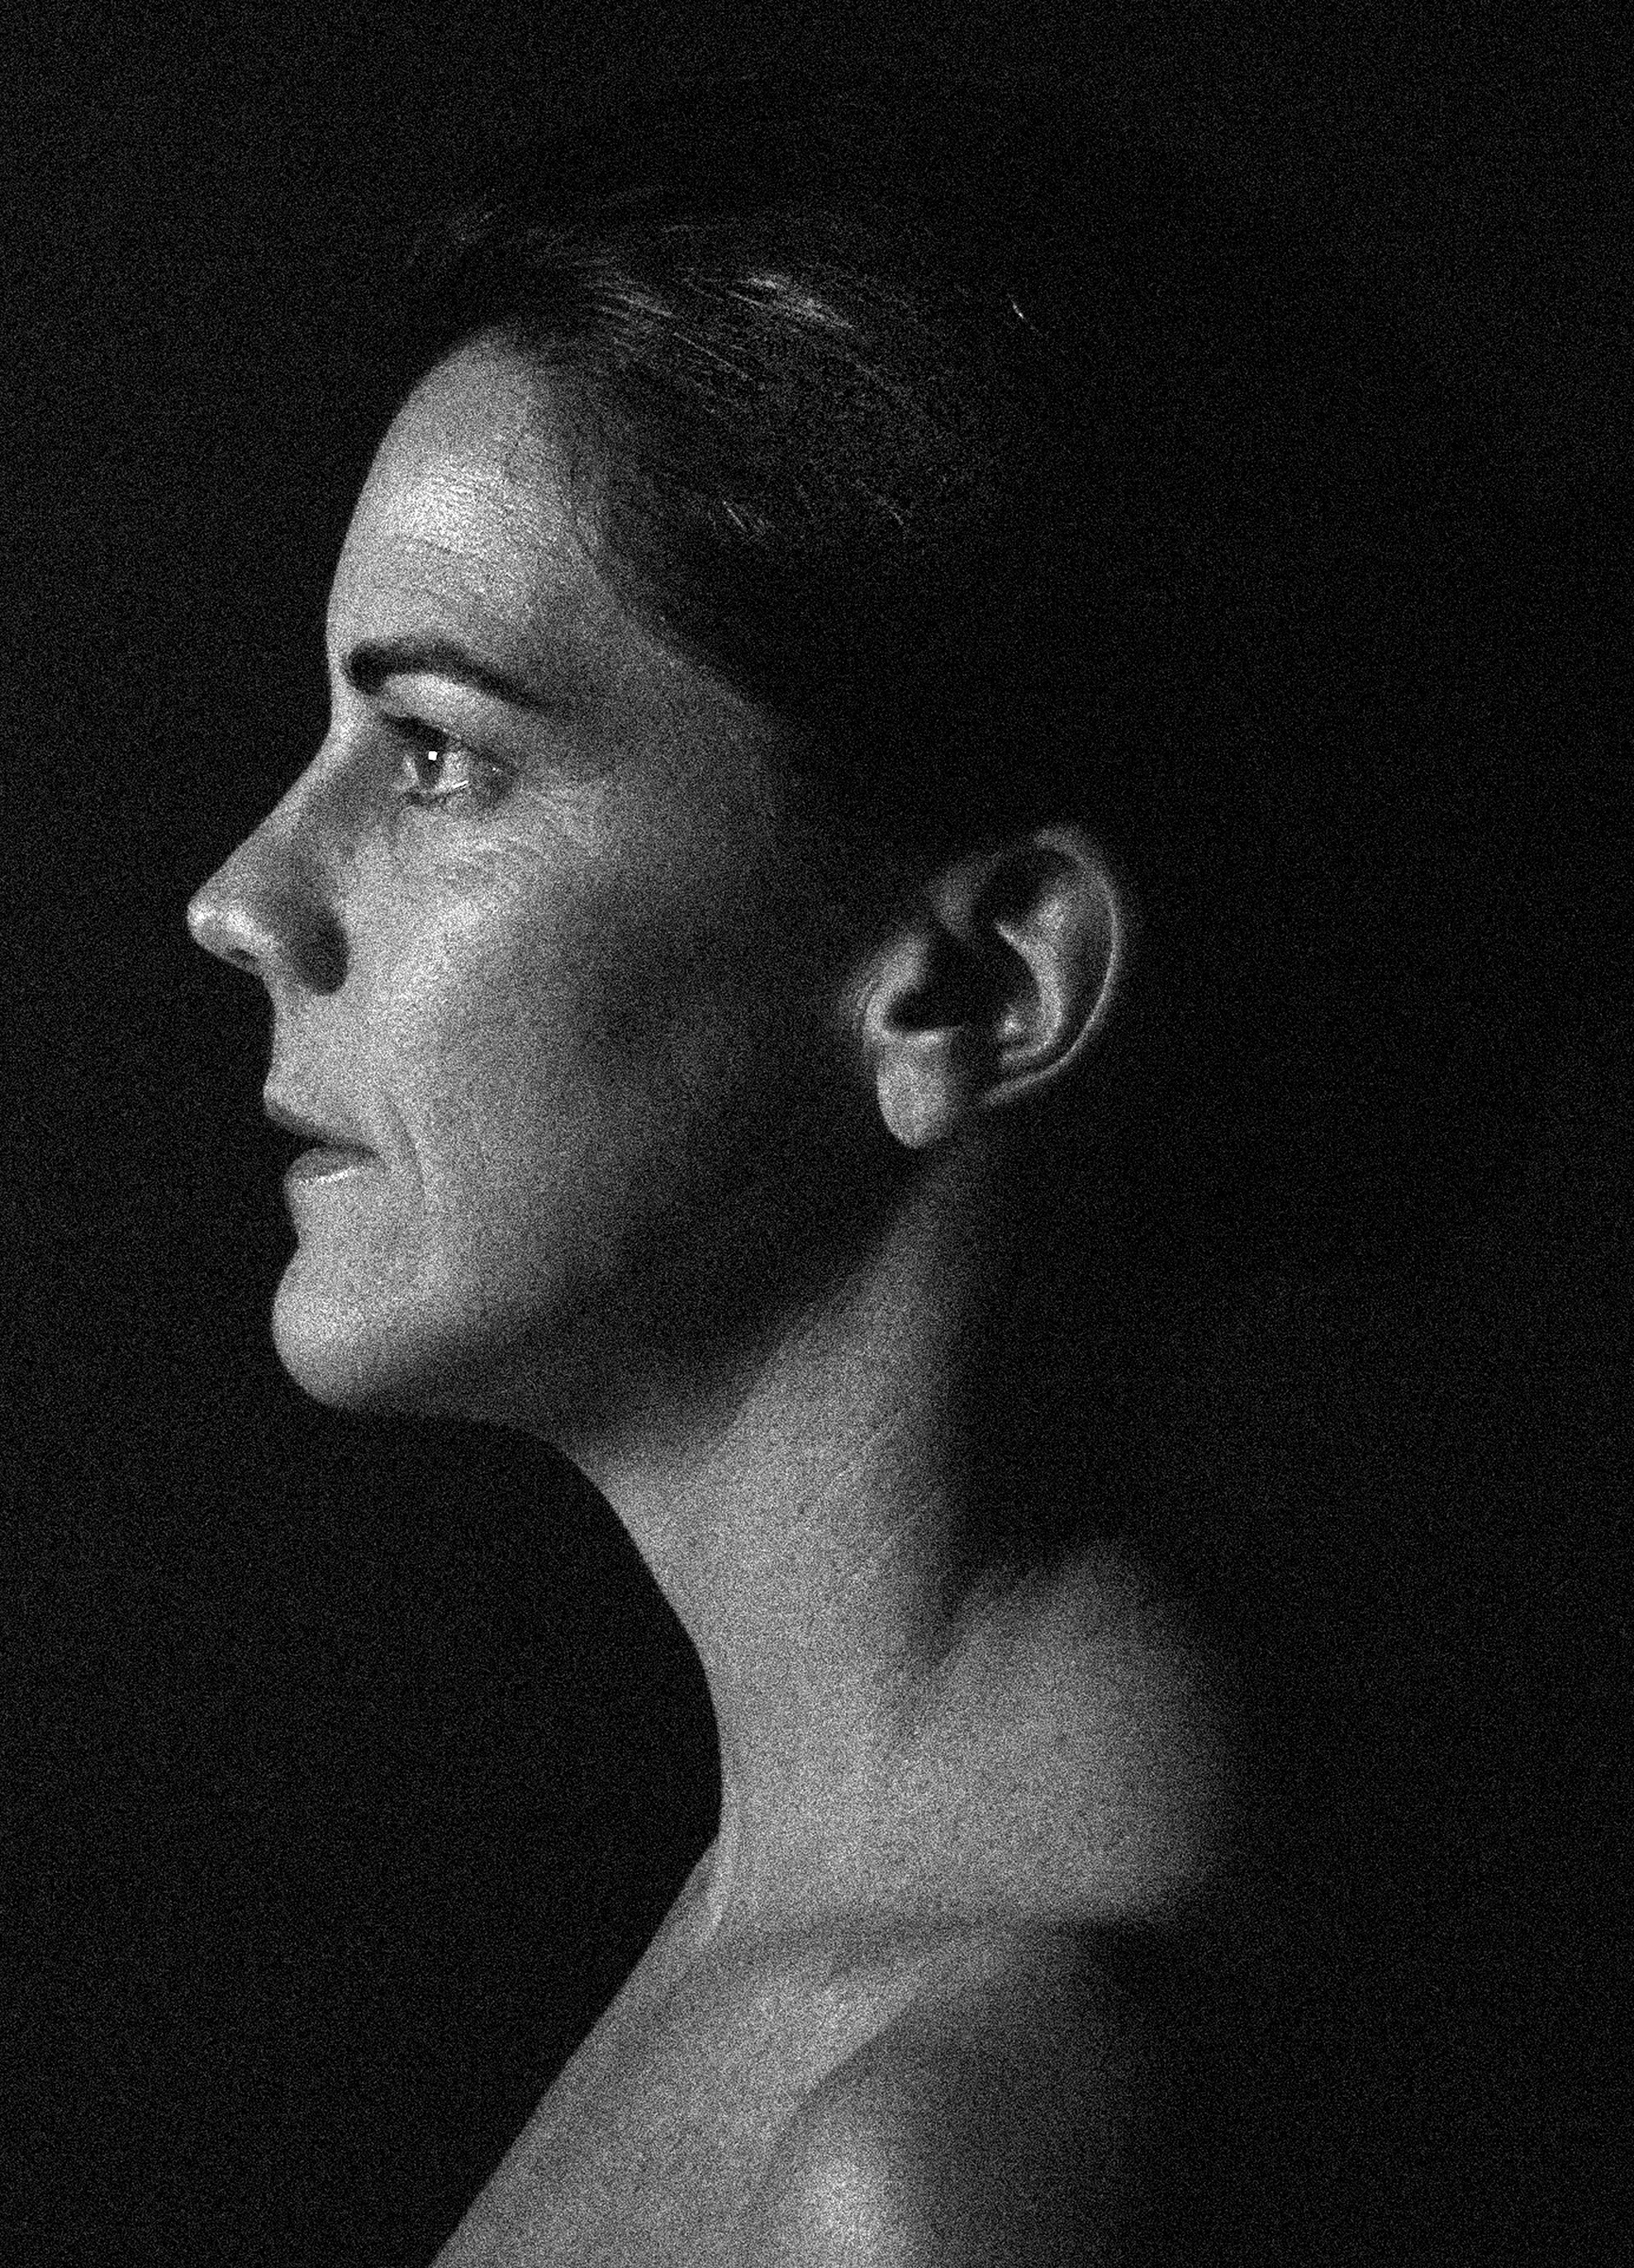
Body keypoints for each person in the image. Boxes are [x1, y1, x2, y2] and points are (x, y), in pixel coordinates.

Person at [185, 93, 1476, 2264]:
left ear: (974, 984)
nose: (243, 898)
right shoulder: (808, 1922)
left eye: (435, 753)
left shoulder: (953, 2150)